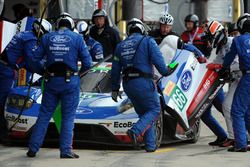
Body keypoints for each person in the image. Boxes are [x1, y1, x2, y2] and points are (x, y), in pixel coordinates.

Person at [27, 12, 92, 158]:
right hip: (70, 82)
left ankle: (33, 148)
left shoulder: (46, 37)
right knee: (68, 117)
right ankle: (66, 151)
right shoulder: (77, 38)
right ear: (72, 25)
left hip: (51, 81)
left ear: (57, 25)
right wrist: (78, 74)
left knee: (44, 115)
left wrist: (42, 71)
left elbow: (33, 59)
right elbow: (87, 63)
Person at [111, 18, 176, 152]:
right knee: (155, 110)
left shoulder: (120, 46)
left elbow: (115, 70)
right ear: (142, 29)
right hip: (144, 82)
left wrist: (115, 89)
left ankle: (150, 146)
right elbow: (160, 64)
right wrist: (168, 69)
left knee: (145, 114)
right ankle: (135, 131)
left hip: (128, 84)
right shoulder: (148, 41)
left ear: (129, 31)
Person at [0, 18, 52, 143]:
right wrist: (46, 72)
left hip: (5, 67)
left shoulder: (24, 34)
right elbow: (32, 61)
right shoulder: (30, 39)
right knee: (3, 102)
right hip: (6, 71)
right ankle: (2, 134)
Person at [220, 13, 250, 152]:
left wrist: (223, 69)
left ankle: (241, 144)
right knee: (248, 111)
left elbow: (228, 59)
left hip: (248, 77)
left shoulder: (238, 40)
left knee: (237, 110)